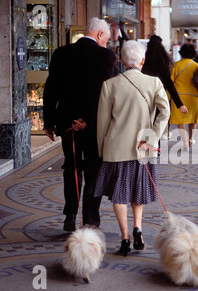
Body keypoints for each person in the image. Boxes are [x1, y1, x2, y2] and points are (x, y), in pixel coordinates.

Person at [94, 40, 170, 256]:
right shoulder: (154, 83)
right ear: (143, 61)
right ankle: (138, 227)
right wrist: (152, 138)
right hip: (143, 149)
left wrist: (102, 150)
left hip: (116, 149)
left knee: (119, 195)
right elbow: (165, 113)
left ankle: (125, 237)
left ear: (121, 60)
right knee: (138, 190)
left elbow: (102, 123)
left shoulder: (110, 85)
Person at [43, 17, 117, 232]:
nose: (106, 44)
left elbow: (51, 89)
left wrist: (48, 122)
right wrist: (88, 121)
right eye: (106, 39)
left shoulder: (61, 53)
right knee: (94, 168)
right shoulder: (106, 56)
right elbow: (104, 93)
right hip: (93, 125)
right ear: (100, 35)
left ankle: (70, 214)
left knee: (72, 167)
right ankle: (90, 220)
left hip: (67, 123)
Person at [142, 35, 188, 139]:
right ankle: (155, 146)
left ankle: (145, 145)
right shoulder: (163, 63)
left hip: (145, 95)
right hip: (159, 95)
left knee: (145, 122)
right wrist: (179, 104)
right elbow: (170, 84)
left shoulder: (143, 61)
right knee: (157, 123)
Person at [169, 43, 198, 150]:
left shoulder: (176, 66)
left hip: (179, 97)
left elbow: (171, 83)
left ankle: (185, 142)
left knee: (181, 121)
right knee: (193, 119)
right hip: (194, 96)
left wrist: (169, 97)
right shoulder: (196, 66)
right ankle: (191, 138)